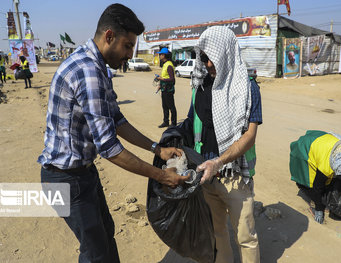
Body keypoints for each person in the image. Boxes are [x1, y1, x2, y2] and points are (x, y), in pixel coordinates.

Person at [38, 4, 190, 262]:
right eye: (128, 46)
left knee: (105, 235)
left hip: (83, 173)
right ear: (109, 36)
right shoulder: (89, 71)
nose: (130, 54)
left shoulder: (99, 67)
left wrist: (158, 148)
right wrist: (161, 176)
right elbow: (109, 148)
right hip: (65, 179)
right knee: (95, 252)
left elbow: (117, 120)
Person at [188, 26, 262, 263]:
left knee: (246, 238)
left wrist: (219, 161)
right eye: (204, 57)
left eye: (212, 58)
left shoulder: (248, 89)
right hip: (207, 176)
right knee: (217, 234)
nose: (208, 64)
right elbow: (192, 125)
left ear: (226, 54)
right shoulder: (199, 87)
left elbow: (249, 136)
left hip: (236, 177)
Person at [290, 130, 341, 224]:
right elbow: (317, 187)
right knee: (308, 183)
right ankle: (313, 203)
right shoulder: (325, 167)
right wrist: (319, 208)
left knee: (338, 182)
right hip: (305, 149)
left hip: (325, 143)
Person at [156, 47, 177, 128]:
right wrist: (160, 85)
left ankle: (174, 123)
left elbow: (172, 79)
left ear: (164, 55)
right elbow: (165, 76)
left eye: (160, 54)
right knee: (164, 106)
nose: (159, 56)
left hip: (169, 90)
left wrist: (161, 79)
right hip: (164, 89)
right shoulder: (165, 64)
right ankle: (166, 122)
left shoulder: (169, 65)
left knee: (171, 107)